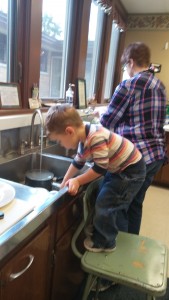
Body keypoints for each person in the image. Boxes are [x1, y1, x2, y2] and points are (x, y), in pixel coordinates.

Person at [45, 104, 146, 253]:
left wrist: (78, 181)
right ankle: (103, 229)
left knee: (106, 203)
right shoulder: (83, 133)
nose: (61, 144)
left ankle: (105, 242)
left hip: (130, 172)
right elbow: (78, 162)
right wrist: (64, 182)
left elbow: (100, 168)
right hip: (119, 168)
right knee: (103, 197)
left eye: (59, 141)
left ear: (69, 131)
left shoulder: (96, 137)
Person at [100, 41, 167, 235]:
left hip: (135, 158)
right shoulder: (159, 85)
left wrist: (99, 117)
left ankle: (120, 252)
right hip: (156, 155)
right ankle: (132, 246)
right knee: (135, 204)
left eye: (125, 66)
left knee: (119, 204)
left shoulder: (128, 85)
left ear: (130, 62)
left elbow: (107, 123)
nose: (126, 70)